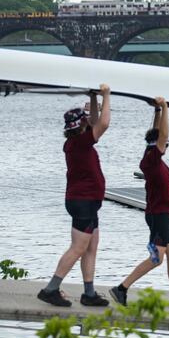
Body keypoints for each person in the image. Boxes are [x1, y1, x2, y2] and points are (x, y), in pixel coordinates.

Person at [109, 97, 169, 313]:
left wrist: (158, 111)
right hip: (158, 215)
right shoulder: (152, 159)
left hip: (163, 214)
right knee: (157, 258)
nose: (167, 145)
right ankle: (121, 288)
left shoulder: (149, 155)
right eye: (165, 143)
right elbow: (163, 134)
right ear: (160, 144)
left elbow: (157, 133)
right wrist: (167, 108)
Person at [37, 85, 111, 307]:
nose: (89, 121)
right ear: (81, 125)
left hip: (87, 202)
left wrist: (92, 97)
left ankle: (88, 293)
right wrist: (106, 96)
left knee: (91, 246)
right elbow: (104, 123)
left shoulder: (76, 141)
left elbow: (96, 122)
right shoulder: (81, 142)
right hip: (83, 203)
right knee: (78, 248)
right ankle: (50, 289)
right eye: (86, 119)